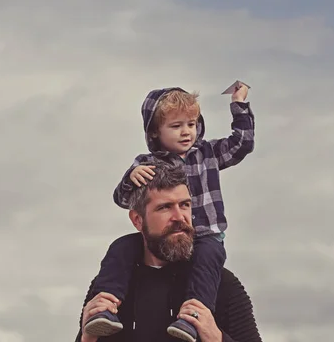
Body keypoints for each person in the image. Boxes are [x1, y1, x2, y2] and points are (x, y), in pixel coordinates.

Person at [84, 83, 255, 341]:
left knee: (209, 256)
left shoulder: (207, 152)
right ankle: (107, 310)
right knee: (120, 246)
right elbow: (121, 198)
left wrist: (239, 105)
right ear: (137, 219)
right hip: (112, 294)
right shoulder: (147, 164)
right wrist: (131, 178)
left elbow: (241, 144)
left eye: (192, 124)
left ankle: (192, 318)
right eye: (176, 126)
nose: (187, 132)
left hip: (207, 236)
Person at [74, 162, 262, 342]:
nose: (179, 217)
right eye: (165, 207)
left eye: (185, 205)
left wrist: (215, 337)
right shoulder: (111, 285)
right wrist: (86, 339)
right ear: (138, 220)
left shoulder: (222, 283)